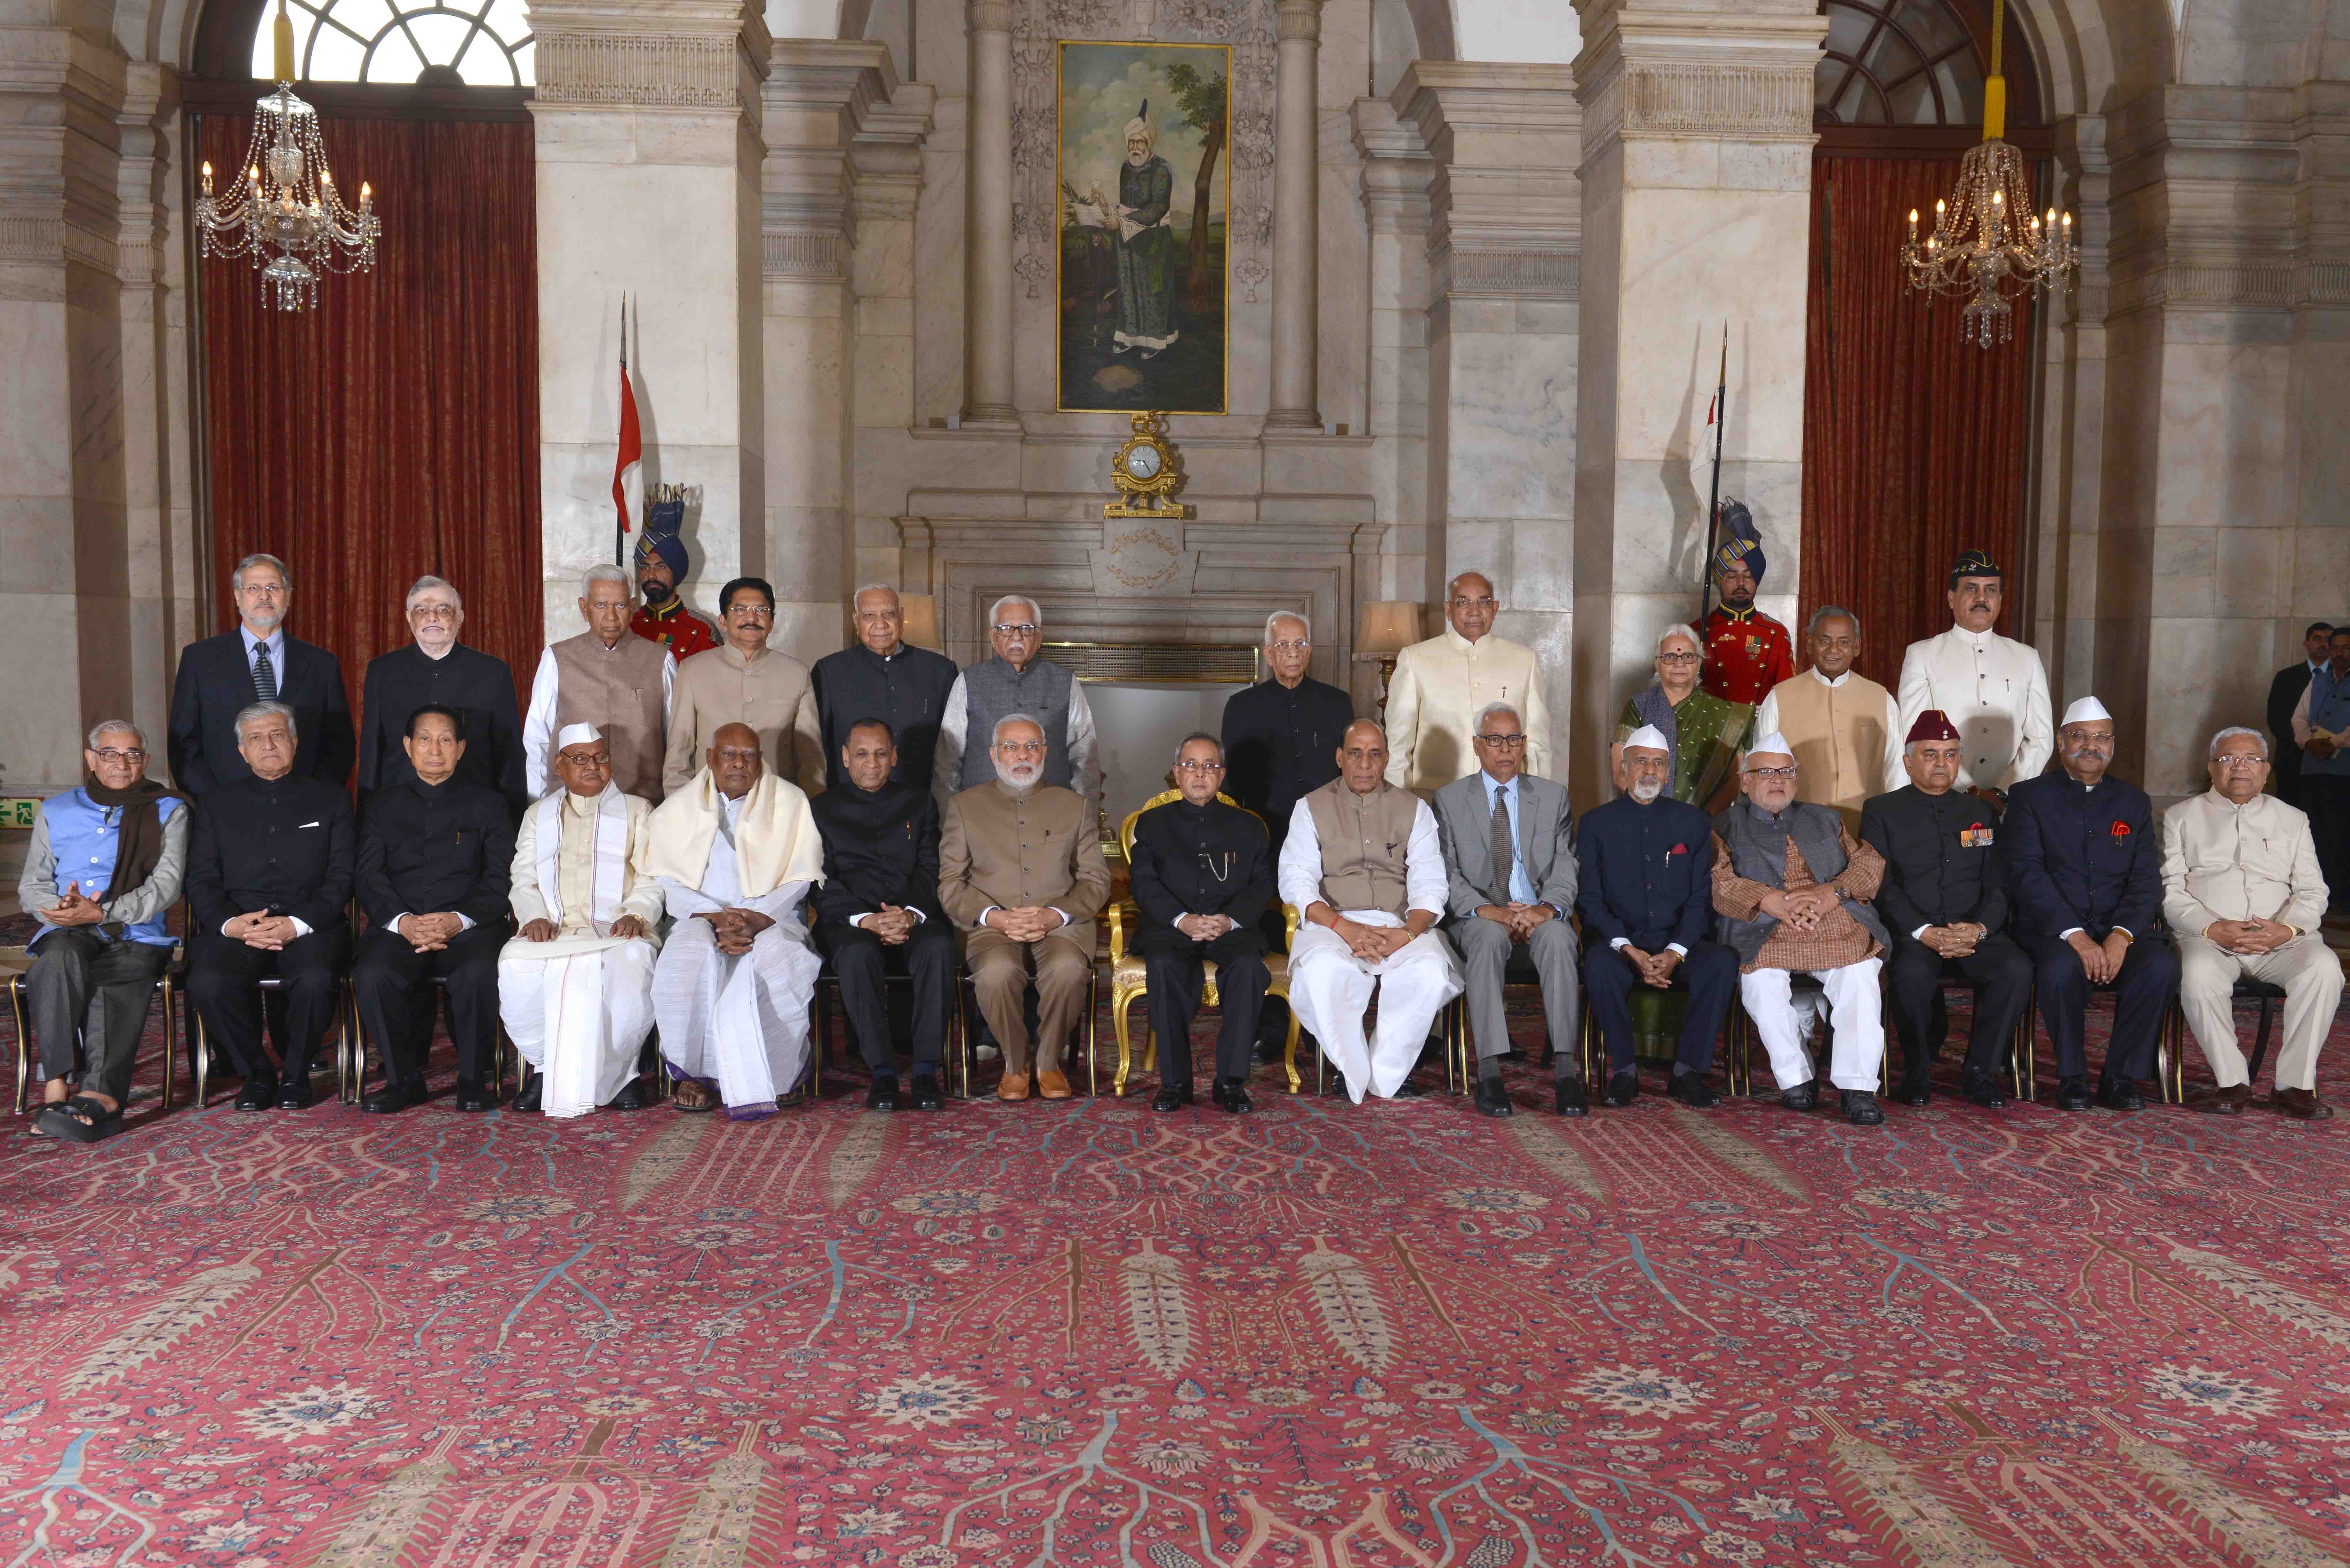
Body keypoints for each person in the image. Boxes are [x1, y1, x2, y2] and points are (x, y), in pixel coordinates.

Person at [2002, 697, 2178, 1110]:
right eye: (2080, 736)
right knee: (2060, 966)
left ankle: (2120, 1076)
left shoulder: (2134, 802)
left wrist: (2122, 936)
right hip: (2054, 927)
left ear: (2113, 745)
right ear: (2062, 741)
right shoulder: (2028, 797)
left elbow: (2146, 880)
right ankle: (2072, 1075)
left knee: (2160, 965)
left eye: (2101, 738)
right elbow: (2027, 874)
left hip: (2120, 927)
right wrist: (2076, 936)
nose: (2091, 746)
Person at [647, 721, 828, 1117]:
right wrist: (715, 917)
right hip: (698, 915)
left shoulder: (790, 801)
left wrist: (758, 918)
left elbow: (802, 875)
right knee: (685, 956)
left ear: (761, 761)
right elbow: (662, 878)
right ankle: (692, 1073)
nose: (739, 763)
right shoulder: (676, 809)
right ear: (710, 758)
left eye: (749, 755)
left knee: (781, 958)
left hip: (771, 917)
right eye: (729, 754)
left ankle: (778, 1075)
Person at [1711, 733, 1891, 1126]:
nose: (1777, 780)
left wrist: (1832, 892)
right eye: (1765, 772)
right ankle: (1797, 1079)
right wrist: (1768, 900)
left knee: (1860, 976)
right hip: (1763, 928)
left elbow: (1869, 865)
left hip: (1835, 923)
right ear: (1745, 781)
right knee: (1760, 986)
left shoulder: (1825, 818)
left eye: (1786, 772)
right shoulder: (1724, 824)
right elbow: (1718, 882)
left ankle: (1858, 1088)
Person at [19, 721, 186, 1143]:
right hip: (68, 924)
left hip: (136, 929)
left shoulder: (170, 809)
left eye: (133, 754)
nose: (123, 763)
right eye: (110, 754)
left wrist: (103, 912)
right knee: (57, 961)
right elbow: (33, 883)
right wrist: (57, 910)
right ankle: (57, 1084)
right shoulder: (57, 810)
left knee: (116, 976)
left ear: (145, 761)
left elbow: (166, 886)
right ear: (92, 760)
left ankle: (101, 1096)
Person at [1279, 720, 1463, 1102]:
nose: (1364, 763)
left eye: (1374, 754)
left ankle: (1383, 1072)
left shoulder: (1415, 809)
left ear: (1386, 760)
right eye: (1355, 753)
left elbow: (1430, 885)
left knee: (1428, 971)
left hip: (1399, 924)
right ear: (1340, 758)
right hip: (1333, 923)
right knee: (1324, 971)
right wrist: (1344, 928)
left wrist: (1406, 935)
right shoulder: (1309, 807)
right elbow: (1296, 881)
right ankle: (1349, 1065)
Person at [184, 701, 356, 1112]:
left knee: (315, 979)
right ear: (242, 751)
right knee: (206, 980)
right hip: (241, 922)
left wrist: (297, 923)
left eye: (278, 735)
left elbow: (343, 877)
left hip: (311, 922)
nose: (268, 745)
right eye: (256, 739)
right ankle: (256, 1073)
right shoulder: (215, 803)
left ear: (295, 742)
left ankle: (296, 1075)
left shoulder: (332, 800)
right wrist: (233, 925)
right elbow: (201, 880)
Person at [2164, 727, 2341, 1119]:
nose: (2239, 767)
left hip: (2283, 941)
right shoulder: (2179, 818)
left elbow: (2313, 890)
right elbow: (2170, 891)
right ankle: (2232, 1082)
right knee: (2196, 973)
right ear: (2211, 768)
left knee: (2325, 968)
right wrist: (2212, 928)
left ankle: (2294, 1085)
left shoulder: (2293, 820)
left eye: (2251, 760)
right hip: (2209, 938)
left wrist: (2289, 929)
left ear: (2266, 771)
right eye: (2227, 759)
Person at [1858, 710, 2033, 1109]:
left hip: (1975, 931)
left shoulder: (1981, 812)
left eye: (1951, 754)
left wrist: (1980, 929)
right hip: (1913, 933)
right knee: (1911, 972)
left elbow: (1997, 882)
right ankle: (1918, 1069)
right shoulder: (1881, 810)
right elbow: (1880, 885)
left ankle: (1980, 1071)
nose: (1942, 763)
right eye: (1930, 754)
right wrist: (1923, 931)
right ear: (1907, 762)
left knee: (2016, 968)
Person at [350, 706, 516, 1114]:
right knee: (372, 973)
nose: (435, 749)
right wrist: (403, 922)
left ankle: (474, 1079)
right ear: (408, 747)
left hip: (470, 925)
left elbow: (499, 879)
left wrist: (457, 920)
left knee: (478, 972)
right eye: (425, 739)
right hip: (400, 925)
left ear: (460, 749)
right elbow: (368, 875)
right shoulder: (380, 806)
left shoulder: (490, 805)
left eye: (446, 740)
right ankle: (403, 1079)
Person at [939, 715, 1111, 1100]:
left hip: (1060, 926)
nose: (1023, 755)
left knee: (1068, 970)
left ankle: (1048, 1062)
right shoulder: (965, 807)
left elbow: (1096, 881)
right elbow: (950, 883)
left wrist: (1056, 915)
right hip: (991, 926)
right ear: (993, 753)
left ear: (1045, 753)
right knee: (998, 973)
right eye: (1011, 746)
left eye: (1032, 746)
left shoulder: (1075, 806)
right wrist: (994, 916)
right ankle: (1015, 1063)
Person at [498, 725, 664, 1118]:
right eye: (581, 758)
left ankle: (623, 1075)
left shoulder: (638, 810)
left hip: (617, 929)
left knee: (632, 964)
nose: (594, 766)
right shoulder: (538, 815)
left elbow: (654, 875)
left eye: (601, 758)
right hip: (554, 928)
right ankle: (544, 1067)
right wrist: (535, 915)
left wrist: (636, 913)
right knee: (515, 965)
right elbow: (523, 877)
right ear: (559, 765)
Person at [1575, 726, 1736, 1115]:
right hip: (1619, 945)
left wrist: (1676, 952)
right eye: (1641, 761)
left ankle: (1686, 1072)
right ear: (1624, 769)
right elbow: (1589, 899)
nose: (1649, 770)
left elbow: (1701, 898)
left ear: (1668, 772)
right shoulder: (1595, 823)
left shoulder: (1694, 823)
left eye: (1658, 763)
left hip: (1677, 943)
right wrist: (1628, 948)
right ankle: (1624, 1071)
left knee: (1721, 961)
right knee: (1598, 966)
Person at [1434, 703, 1580, 1120]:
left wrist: (1548, 909)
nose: (1505, 749)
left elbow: (1566, 864)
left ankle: (1567, 1072)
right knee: (1486, 936)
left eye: (1514, 739)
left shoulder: (1553, 798)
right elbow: (1446, 873)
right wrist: (1487, 910)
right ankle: (1491, 1073)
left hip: (1539, 914)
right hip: (1481, 917)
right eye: (1495, 740)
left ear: (1524, 745)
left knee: (1560, 938)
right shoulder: (1449, 799)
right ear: (1478, 746)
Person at [1127, 734, 1275, 1113]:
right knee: (1163, 965)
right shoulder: (1152, 823)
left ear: (1222, 775)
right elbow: (1143, 883)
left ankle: (1230, 1082)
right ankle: (1174, 1083)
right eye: (1191, 765)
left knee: (1248, 968)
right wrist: (1183, 920)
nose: (1200, 773)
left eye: (1210, 766)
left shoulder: (1249, 826)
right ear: (1176, 773)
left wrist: (1230, 920)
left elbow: (1263, 884)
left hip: (1231, 929)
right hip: (1171, 927)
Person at [811, 718, 951, 1112]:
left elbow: (930, 869)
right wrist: (867, 920)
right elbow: (819, 879)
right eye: (860, 754)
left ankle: (926, 1069)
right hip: (849, 922)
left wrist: (910, 914)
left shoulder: (920, 802)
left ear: (893, 757)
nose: (870, 763)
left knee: (939, 945)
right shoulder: (821, 808)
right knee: (856, 954)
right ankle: (882, 1072)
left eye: (879, 754)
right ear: (844, 757)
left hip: (910, 916)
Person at [168, 552, 355, 796]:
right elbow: (184, 744)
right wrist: (213, 802)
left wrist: (314, 798)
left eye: (273, 588)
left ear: (287, 596)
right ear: (238, 596)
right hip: (223, 808)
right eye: (254, 588)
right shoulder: (200, 660)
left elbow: (339, 745)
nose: (264, 596)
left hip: (304, 806)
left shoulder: (322, 664)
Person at [356, 575, 527, 816]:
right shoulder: (382, 671)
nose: (432, 617)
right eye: (421, 609)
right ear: (408, 618)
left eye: (443, 609)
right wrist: (365, 818)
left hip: (474, 811)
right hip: (398, 812)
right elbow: (372, 750)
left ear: (460, 618)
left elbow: (509, 755)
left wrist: (514, 822)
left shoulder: (493, 672)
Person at [1895, 549, 2053, 800]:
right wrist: (1969, 791)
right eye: (1971, 589)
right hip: (1944, 796)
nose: (1982, 598)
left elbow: (2041, 738)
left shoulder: (2027, 657)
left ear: (2000, 599)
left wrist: (2003, 792)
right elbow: (1916, 734)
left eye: (1990, 590)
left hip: (2012, 801)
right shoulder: (1923, 655)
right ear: (1951, 598)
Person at [1384, 573, 1551, 792]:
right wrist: (1399, 806)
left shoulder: (1524, 660)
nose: (1474, 611)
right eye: (1463, 602)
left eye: (1483, 602)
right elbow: (1399, 746)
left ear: (1495, 609)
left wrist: (1539, 802)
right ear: (1448, 609)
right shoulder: (1415, 659)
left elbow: (1538, 746)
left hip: (1506, 799)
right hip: (1434, 800)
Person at [524, 564, 677, 803]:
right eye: (600, 605)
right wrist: (538, 804)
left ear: (633, 607)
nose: (611, 616)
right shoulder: (557, 658)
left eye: (620, 605)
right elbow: (537, 739)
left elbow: (676, 741)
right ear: (584, 609)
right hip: (569, 804)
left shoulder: (661, 660)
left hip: (643, 804)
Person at [934, 596, 1101, 811]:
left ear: (1039, 636)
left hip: (1052, 816)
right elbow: (947, 763)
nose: (1016, 637)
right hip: (981, 815)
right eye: (1005, 628)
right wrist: (950, 824)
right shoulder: (969, 681)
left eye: (1026, 628)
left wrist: (1085, 820)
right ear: (992, 637)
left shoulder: (1065, 682)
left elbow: (1085, 760)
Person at [663, 576, 824, 795]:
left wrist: (811, 809)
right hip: (710, 804)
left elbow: (810, 757)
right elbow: (679, 752)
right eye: (740, 609)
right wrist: (679, 809)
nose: (751, 618)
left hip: (777, 804)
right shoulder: (694, 670)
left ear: (772, 622)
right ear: (723, 620)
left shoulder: (797, 673)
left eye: (761, 610)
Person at [1221, 611, 1354, 865]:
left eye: (1300, 644)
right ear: (1269, 654)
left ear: (1310, 650)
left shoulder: (1337, 702)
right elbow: (1231, 784)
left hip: (1326, 831)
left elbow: (1349, 770)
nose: (1293, 652)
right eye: (1283, 645)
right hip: (1264, 832)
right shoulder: (1241, 707)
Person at [1752, 606, 1901, 829]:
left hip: (1869, 830)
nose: (1834, 650)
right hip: (1798, 831)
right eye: (1825, 641)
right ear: (1810, 644)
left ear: (1857, 647)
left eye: (1844, 642)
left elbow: (1896, 769)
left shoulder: (1882, 698)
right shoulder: (1778, 698)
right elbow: (1761, 773)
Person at [811, 585, 959, 792]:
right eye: (869, 616)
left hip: (921, 802)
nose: (880, 624)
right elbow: (817, 746)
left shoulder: (940, 670)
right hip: (848, 802)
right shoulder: (829, 671)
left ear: (901, 617)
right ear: (856, 621)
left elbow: (952, 748)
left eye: (889, 614)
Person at [1614, 624, 1752, 810]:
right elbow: (1620, 773)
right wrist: (1651, 814)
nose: (1679, 664)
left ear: (1699, 663)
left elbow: (1736, 779)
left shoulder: (1725, 714)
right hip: (1644, 818)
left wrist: (1702, 820)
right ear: (1657, 664)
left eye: (1688, 657)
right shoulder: (1639, 707)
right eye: (1670, 657)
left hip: (1705, 823)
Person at [1699, 505, 1794, 706]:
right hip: (1710, 732)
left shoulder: (1776, 633)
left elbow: (1788, 697)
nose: (1741, 583)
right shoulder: (1697, 631)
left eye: (1748, 576)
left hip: (1760, 732)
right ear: (1720, 581)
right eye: (1732, 576)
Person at [2291, 625, 2350, 909]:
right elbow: (2299, 718)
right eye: (2335, 647)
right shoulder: (2319, 680)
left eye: (2345, 647)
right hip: (2314, 769)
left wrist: (2333, 743)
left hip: (2345, 772)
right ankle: (2324, 896)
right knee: (2318, 833)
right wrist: (2308, 743)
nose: (2339, 653)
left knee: (2344, 833)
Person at [629, 512, 720, 660]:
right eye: (645, 568)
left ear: (676, 573)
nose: (651, 576)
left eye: (660, 567)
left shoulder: (703, 630)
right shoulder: (626, 623)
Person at [2266, 621, 2332, 809]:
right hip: (2292, 761)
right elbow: (2276, 721)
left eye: (2328, 640)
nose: (2323, 644)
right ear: (2307, 644)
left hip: (2333, 760)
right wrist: (2307, 744)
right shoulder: (2286, 677)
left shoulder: (2344, 677)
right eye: (2317, 639)